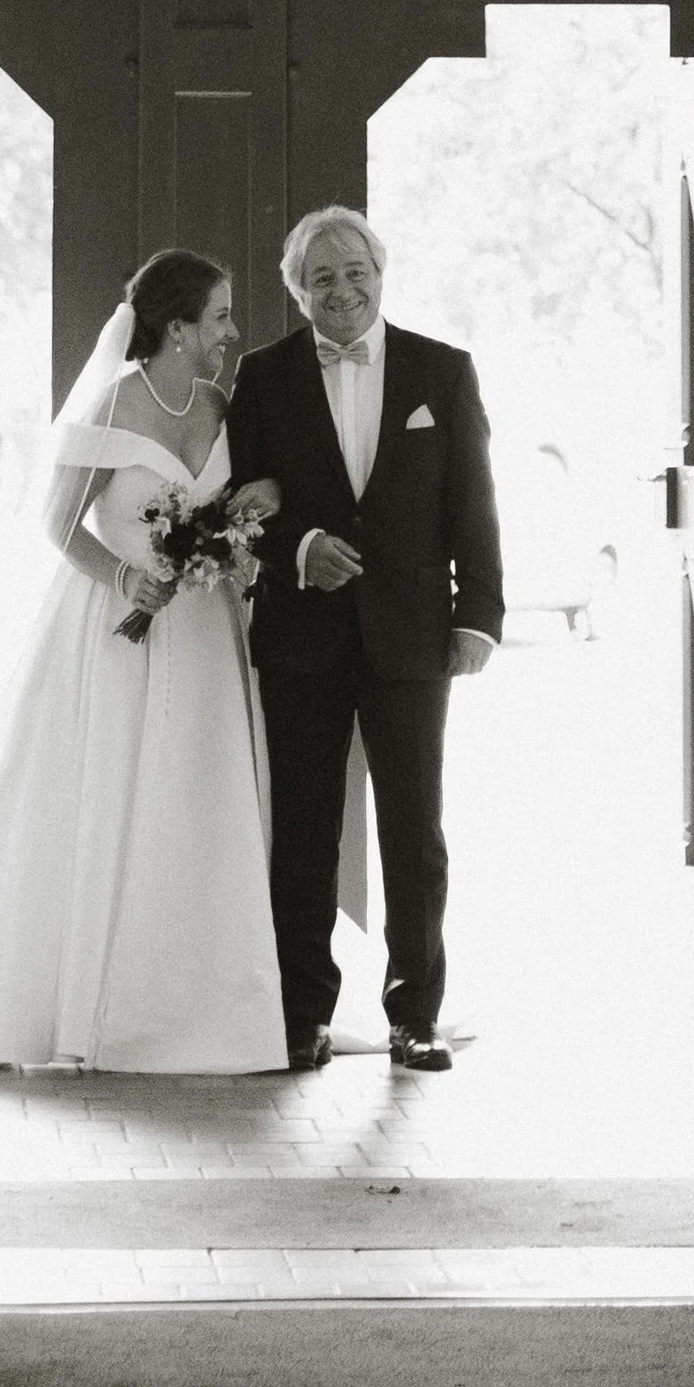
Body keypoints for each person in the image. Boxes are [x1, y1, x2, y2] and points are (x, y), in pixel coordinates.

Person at [0, 245, 288, 1073]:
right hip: (118, 626)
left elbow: (235, 502)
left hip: (204, 634)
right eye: (220, 316)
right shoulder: (114, 405)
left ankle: (211, 1004)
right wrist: (127, 576)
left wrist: (238, 535)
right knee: (116, 795)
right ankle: (102, 1006)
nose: (232, 331)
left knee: (201, 797)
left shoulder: (222, 405)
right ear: (179, 327)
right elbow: (57, 526)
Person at [226, 205, 503, 1075]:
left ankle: (414, 1016)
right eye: (322, 278)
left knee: (414, 833)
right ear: (297, 291)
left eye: (355, 272)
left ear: (381, 275)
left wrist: (478, 616)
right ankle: (301, 1014)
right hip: (301, 635)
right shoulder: (264, 377)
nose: (341, 290)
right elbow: (234, 501)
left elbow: (473, 501)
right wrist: (299, 548)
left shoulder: (442, 371)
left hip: (413, 636)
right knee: (304, 832)